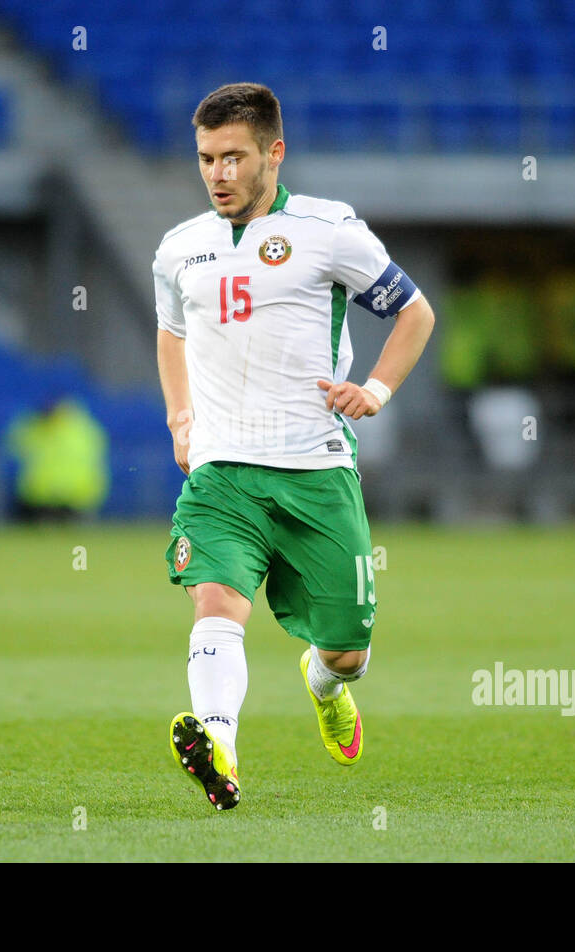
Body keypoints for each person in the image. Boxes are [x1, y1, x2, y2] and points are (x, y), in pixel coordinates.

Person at [153, 83, 436, 810]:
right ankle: (220, 749)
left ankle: (323, 681)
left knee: (350, 652)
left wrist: (375, 389)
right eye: (206, 158)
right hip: (223, 475)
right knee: (216, 603)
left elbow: (414, 311)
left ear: (274, 153)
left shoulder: (329, 229)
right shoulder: (180, 249)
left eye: (234, 157)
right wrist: (181, 418)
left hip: (316, 472)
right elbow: (173, 331)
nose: (218, 173)